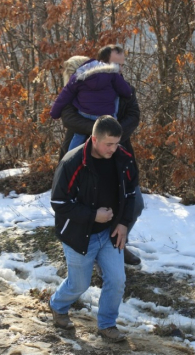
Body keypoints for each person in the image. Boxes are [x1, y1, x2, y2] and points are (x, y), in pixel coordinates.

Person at [49, 115, 137, 342]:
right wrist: (93, 216)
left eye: (117, 143)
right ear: (94, 139)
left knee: (117, 280)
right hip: (78, 234)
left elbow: (130, 194)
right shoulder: (72, 162)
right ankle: (58, 306)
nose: (114, 148)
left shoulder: (123, 158)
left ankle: (107, 325)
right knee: (79, 284)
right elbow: (59, 203)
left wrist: (123, 223)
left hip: (110, 234)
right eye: (109, 144)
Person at [59, 45, 143, 266]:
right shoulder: (82, 85)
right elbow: (68, 117)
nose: (118, 69)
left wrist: (113, 136)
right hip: (82, 156)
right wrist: (100, 131)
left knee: (134, 204)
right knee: (83, 204)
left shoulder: (125, 89)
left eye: (121, 65)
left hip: (118, 156)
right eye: (114, 64)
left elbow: (134, 116)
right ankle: (81, 248)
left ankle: (117, 242)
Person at [50, 46, 132, 151]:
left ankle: (70, 157)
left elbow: (64, 96)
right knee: (115, 99)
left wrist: (54, 113)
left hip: (85, 113)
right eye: (117, 64)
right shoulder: (113, 75)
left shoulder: (78, 76)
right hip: (106, 115)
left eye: (121, 65)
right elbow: (126, 91)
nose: (120, 68)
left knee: (78, 136)